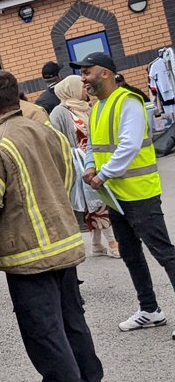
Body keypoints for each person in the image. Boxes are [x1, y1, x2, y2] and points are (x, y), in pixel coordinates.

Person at [0, 69, 106, 382]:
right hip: (63, 244)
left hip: (27, 254)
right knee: (73, 325)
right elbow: (66, 178)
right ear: (17, 96)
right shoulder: (45, 131)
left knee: (45, 335)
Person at [74, 51, 175, 334]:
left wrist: (102, 174)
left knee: (164, 253)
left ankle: (150, 308)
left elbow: (129, 146)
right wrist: (90, 166)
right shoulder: (98, 107)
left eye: (87, 72)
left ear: (105, 73)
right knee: (130, 253)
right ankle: (150, 309)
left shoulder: (128, 101)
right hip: (115, 195)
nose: (83, 78)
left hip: (139, 193)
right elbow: (93, 145)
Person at [49, 75, 120, 258]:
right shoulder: (59, 112)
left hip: (95, 160)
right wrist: (73, 152)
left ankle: (96, 245)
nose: (85, 89)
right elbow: (54, 140)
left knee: (95, 202)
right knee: (98, 201)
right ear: (71, 90)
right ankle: (112, 242)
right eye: (81, 87)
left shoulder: (87, 107)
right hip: (78, 165)